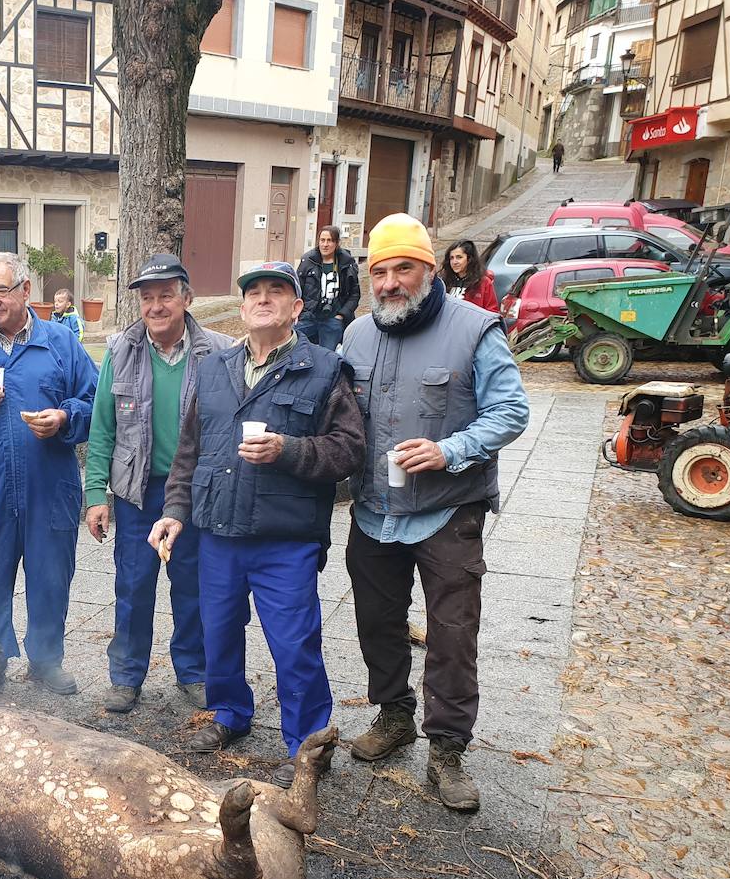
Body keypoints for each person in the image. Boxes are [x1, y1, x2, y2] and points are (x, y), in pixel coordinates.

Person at [149, 261, 365, 789]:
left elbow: (350, 449)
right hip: (218, 533)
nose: (263, 300)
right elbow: (189, 453)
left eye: (277, 292)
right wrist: (175, 512)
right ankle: (229, 713)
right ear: (241, 308)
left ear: (297, 308)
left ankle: (307, 741)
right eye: (254, 293)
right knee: (218, 633)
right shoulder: (215, 368)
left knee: (294, 644)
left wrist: (288, 450)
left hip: (283, 538)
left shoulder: (323, 369)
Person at [340, 213, 529, 812]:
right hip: (374, 510)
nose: (392, 282)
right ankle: (394, 715)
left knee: (452, 635)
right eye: (381, 271)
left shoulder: (474, 328)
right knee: (377, 621)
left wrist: (447, 451)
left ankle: (447, 749)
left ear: (430, 268)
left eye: (404, 268)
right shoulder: (357, 334)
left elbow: (510, 412)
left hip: (448, 510)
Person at [0, 252, 98, 696]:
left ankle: (46, 661)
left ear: (26, 291)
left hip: (52, 484)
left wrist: (65, 419)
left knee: (51, 577)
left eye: (1, 291)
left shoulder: (61, 343)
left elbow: (95, 404)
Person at [84, 254, 235, 714]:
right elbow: (102, 427)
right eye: (147, 297)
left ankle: (193, 670)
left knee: (192, 584)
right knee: (133, 585)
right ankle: (127, 676)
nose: (156, 306)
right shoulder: (121, 350)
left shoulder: (220, 351)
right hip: (136, 491)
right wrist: (95, 494)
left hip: (191, 492)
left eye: (166, 295)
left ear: (187, 299)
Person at [295, 226, 361, 351]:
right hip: (309, 317)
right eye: (322, 240)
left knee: (327, 356)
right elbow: (297, 290)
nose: (325, 244)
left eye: (329, 240)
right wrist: (299, 314)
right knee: (297, 350)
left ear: (336, 243)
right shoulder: (307, 262)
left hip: (333, 319)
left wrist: (341, 316)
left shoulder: (347, 264)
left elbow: (354, 294)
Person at [440, 240, 499, 313]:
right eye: (451, 258)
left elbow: (492, 312)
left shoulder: (483, 282)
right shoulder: (444, 281)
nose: (454, 262)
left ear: (469, 259)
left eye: (459, 257)